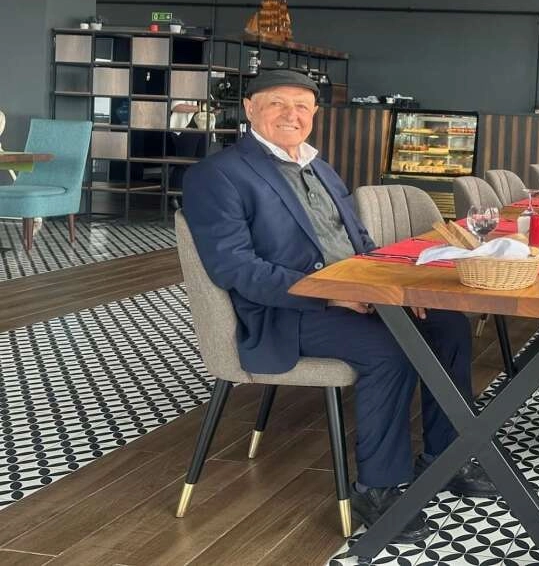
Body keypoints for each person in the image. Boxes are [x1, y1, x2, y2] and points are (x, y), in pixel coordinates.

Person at [182, 69, 496, 543]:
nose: (291, 114)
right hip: (285, 312)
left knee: (447, 324)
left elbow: (361, 245)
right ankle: (378, 488)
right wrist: (330, 293)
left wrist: (398, 291)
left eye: (302, 106)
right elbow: (236, 269)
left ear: (314, 114)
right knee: (389, 349)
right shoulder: (218, 174)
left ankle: (445, 456)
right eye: (277, 103)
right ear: (250, 109)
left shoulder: (320, 167)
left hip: (352, 295)